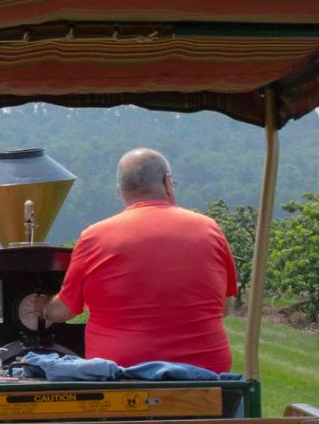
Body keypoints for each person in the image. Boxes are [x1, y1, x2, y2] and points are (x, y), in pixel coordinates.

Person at [36, 148, 237, 373]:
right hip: (206, 376)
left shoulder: (95, 237)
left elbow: (64, 311)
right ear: (168, 182)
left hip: (123, 379)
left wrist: (44, 308)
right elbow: (223, 308)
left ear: (120, 191)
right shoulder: (210, 229)